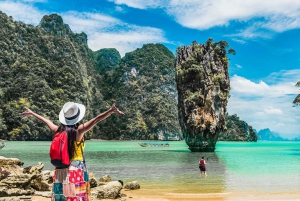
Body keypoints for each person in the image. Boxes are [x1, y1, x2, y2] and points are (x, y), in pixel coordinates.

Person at [21, 102, 124, 201]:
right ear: (77, 117)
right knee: (77, 195)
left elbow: (47, 121)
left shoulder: (58, 130)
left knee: (62, 196)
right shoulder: (79, 131)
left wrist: (32, 113)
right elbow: (96, 119)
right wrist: (110, 111)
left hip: (61, 169)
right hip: (76, 169)